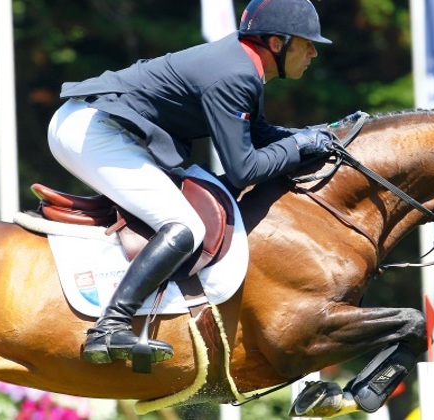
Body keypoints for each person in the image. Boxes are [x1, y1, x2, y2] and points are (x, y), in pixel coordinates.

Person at [46, 0, 335, 370]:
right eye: (306, 43)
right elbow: (244, 168)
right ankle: (111, 324)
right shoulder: (235, 73)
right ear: (277, 43)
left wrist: (317, 138)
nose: (313, 52)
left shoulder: (241, 62)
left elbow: (259, 134)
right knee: (185, 226)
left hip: (101, 125)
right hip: (94, 131)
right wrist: (300, 144)